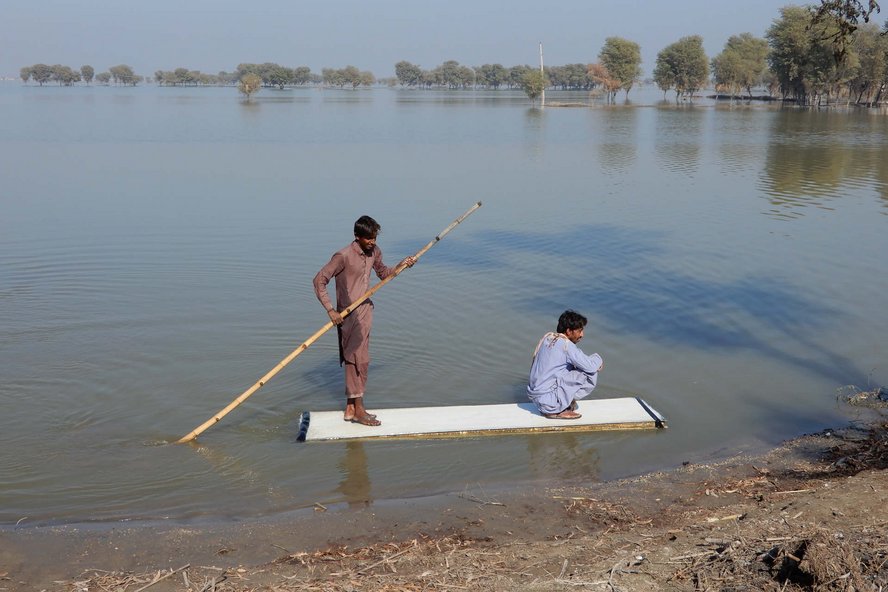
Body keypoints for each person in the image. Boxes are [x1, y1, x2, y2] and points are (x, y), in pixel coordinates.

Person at [313, 215, 415, 426]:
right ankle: (359, 409)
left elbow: (383, 273)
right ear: (357, 236)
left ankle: (351, 409)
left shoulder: (375, 252)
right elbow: (319, 280)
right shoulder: (343, 256)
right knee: (358, 360)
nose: (373, 242)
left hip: (365, 310)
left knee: (357, 358)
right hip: (347, 314)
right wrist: (331, 310)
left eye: (375, 237)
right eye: (368, 238)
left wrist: (402, 266)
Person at [527, 310, 604, 419]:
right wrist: (598, 359)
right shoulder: (566, 346)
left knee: (576, 366)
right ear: (568, 331)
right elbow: (590, 366)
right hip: (548, 403)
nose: (582, 335)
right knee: (591, 372)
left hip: (537, 399)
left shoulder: (548, 338)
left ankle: (560, 403)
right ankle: (558, 409)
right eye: (579, 331)